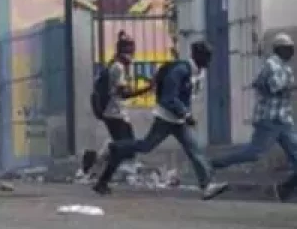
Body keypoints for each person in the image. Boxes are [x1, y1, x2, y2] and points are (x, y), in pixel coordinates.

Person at [93, 40, 229, 200]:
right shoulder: (180, 70)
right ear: (197, 56)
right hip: (166, 117)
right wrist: (185, 114)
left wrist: (184, 114)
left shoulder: (198, 72)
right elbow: (168, 98)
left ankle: (206, 186)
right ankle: (115, 147)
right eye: (207, 56)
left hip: (177, 120)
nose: (209, 60)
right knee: (146, 146)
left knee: (194, 149)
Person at [210, 33, 297, 201]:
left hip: (283, 119)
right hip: (269, 119)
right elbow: (276, 87)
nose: (291, 52)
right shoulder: (271, 65)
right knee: (253, 153)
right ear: (279, 49)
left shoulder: (285, 67)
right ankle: (213, 164)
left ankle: (285, 190)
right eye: (288, 48)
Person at [81, 32, 153, 181]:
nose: (132, 56)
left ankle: (96, 166)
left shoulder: (115, 65)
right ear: (124, 53)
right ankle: (97, 167)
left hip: (116, 112)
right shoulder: (118, 68)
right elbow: (124, 93)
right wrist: (147, 89)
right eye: (130, 52)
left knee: (123, 145)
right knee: (126, 146)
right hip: (113, 113)